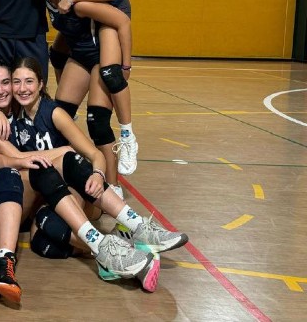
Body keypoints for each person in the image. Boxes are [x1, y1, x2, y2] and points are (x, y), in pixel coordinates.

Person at [10, 57, 187, 290]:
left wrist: (98, 174)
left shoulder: (54, 113)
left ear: (41, 84)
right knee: (41, 240)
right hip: (48, 199)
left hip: (78, 191)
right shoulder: (14, 119)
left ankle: (137, 227)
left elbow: (95, 155)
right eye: (17, 82)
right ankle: (125, 254)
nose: (22, 88)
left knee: (65, 161)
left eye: (29, 81)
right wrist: (58, 151)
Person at [33, 0, 139, 176]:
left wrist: (126, 66)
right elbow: (62, 39)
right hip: (83, 45)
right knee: (60, 114)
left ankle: (126, 140)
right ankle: (70, 170)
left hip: (110, 13)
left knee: (101, 108)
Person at [0, 59, 77, 303]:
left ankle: (99, 247)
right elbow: (11, 158)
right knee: (40, 169)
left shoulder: (20, 107)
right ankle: (5, 261)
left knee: (44, 233)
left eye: (6, 83)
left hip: (23, 203)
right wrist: (63, 152)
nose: (1, 90)